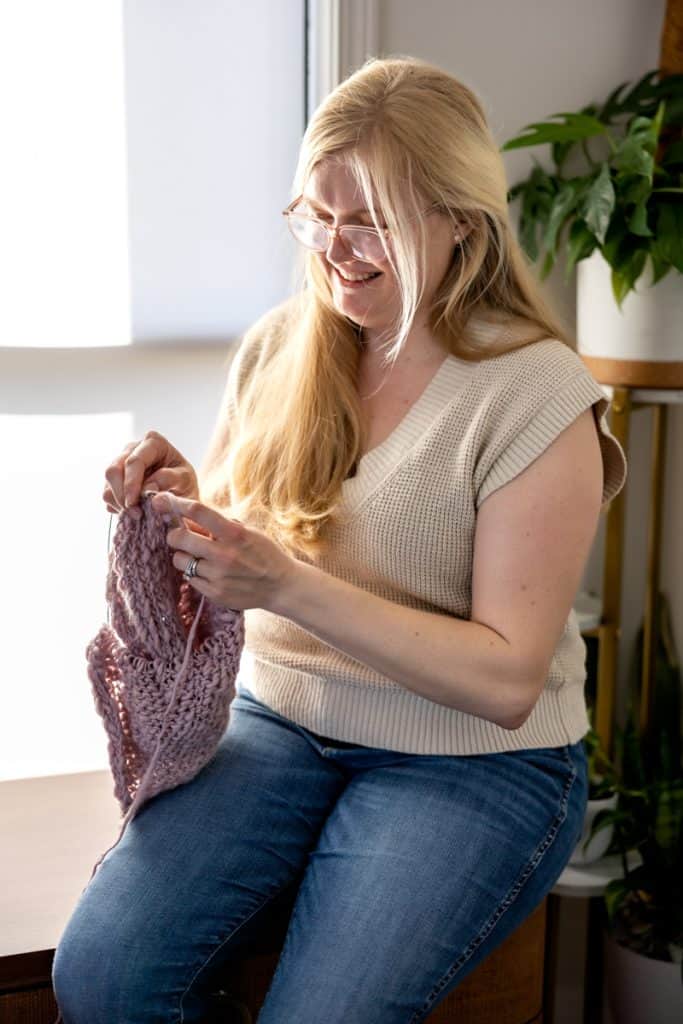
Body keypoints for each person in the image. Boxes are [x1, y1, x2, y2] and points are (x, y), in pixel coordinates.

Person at [52, 55, 627, 1023]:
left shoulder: (534, 396)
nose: (335, 247)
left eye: (371, 221)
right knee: (101, 977)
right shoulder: (284, 346)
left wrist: (277, 581)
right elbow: (263, 529)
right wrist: (183, 503)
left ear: (458, 219)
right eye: (315, 215)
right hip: (281, 722)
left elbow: (503, 679)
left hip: (474, 764)